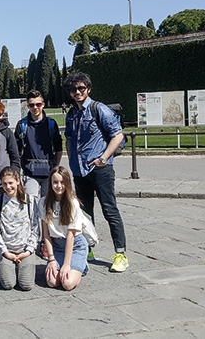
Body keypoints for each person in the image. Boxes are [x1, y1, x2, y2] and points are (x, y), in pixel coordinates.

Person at [63, 72, 128, 273]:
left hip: (100, 169)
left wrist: (103, 158)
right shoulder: (71, 113)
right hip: (80, 171)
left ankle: (120, 254)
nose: (77, 92)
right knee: (84, 213)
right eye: (74, 89)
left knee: (110, 210)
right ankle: (88, 249)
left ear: (88, 89)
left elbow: (117, 136)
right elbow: (69, 139)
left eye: (81, 88)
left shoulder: (99, 109)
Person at [0, 167, 39, 291]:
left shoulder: (30, 200)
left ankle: (23, 263)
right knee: (8, 284)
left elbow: (35, 228)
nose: (8, 187)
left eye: (10, 183)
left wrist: (28, 251)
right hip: (6, 250)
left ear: (18, 181)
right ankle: (8, 265)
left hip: (24, 249)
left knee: (26, 285)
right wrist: (6, 252)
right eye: (4, 184)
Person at [42, 166, 89, 291]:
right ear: (50, 183)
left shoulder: (72, 203)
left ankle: (80, 266)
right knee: (52, 282)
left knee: (67, 284)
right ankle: (63, 264)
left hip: (75, 245)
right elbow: (46, 233)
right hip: (56, 245)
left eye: (62, 182)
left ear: (67, 183)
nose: (59, 186)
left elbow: (70, 236)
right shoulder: (43, 202)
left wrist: (67, 264)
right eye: (55, 182)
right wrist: (51, 259)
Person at [15, 90, 63, 198]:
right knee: (30, 204)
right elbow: (16, 151)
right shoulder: (22, 125)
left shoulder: (51, 124)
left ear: (43, 104)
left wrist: (56, 167)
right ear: (28, 106)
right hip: (30, 174)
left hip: (49, 172)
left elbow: (59, 147)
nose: (35, 107)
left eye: (38, 104)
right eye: (31, 105)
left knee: (48, 204)